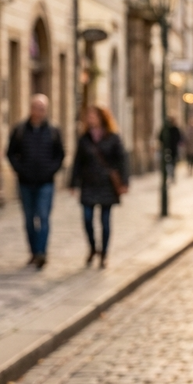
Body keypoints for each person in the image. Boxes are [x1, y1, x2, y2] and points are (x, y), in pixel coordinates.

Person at [6, 94, 65, 268]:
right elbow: (10, 153)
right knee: (29, 219)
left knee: (44, 216)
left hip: (46, 182)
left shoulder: (53, 130)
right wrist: (20, 170)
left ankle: (41, 252)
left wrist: (51, 170)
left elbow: (60, 154)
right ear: (31, 108)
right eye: (36, 108)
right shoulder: (20, 130)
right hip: (25, 182)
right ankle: (33, 251)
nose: (39, 112)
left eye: (42, 109)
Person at [69, 105, 128, 269]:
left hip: (107, 185)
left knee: (105, 221)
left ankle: (104, 253)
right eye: (89, 116)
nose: (90, 118)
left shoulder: (113, 137)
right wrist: (73, 183)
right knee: (87, 219)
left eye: (93, 115)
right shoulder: (84, 138)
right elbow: (77, 162)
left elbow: (122, 161)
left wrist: (124, 183)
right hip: (88, 183)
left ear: (102, 117)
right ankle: (93, 248)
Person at [161, 116, 182, 182]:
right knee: (169, 163)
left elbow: (179, 138)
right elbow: (160, 137)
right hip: (168, 149)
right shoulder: (166, 129)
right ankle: (169, 175)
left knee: (172, 163)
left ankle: (172, 175)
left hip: (172, 149)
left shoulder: (175, 129)